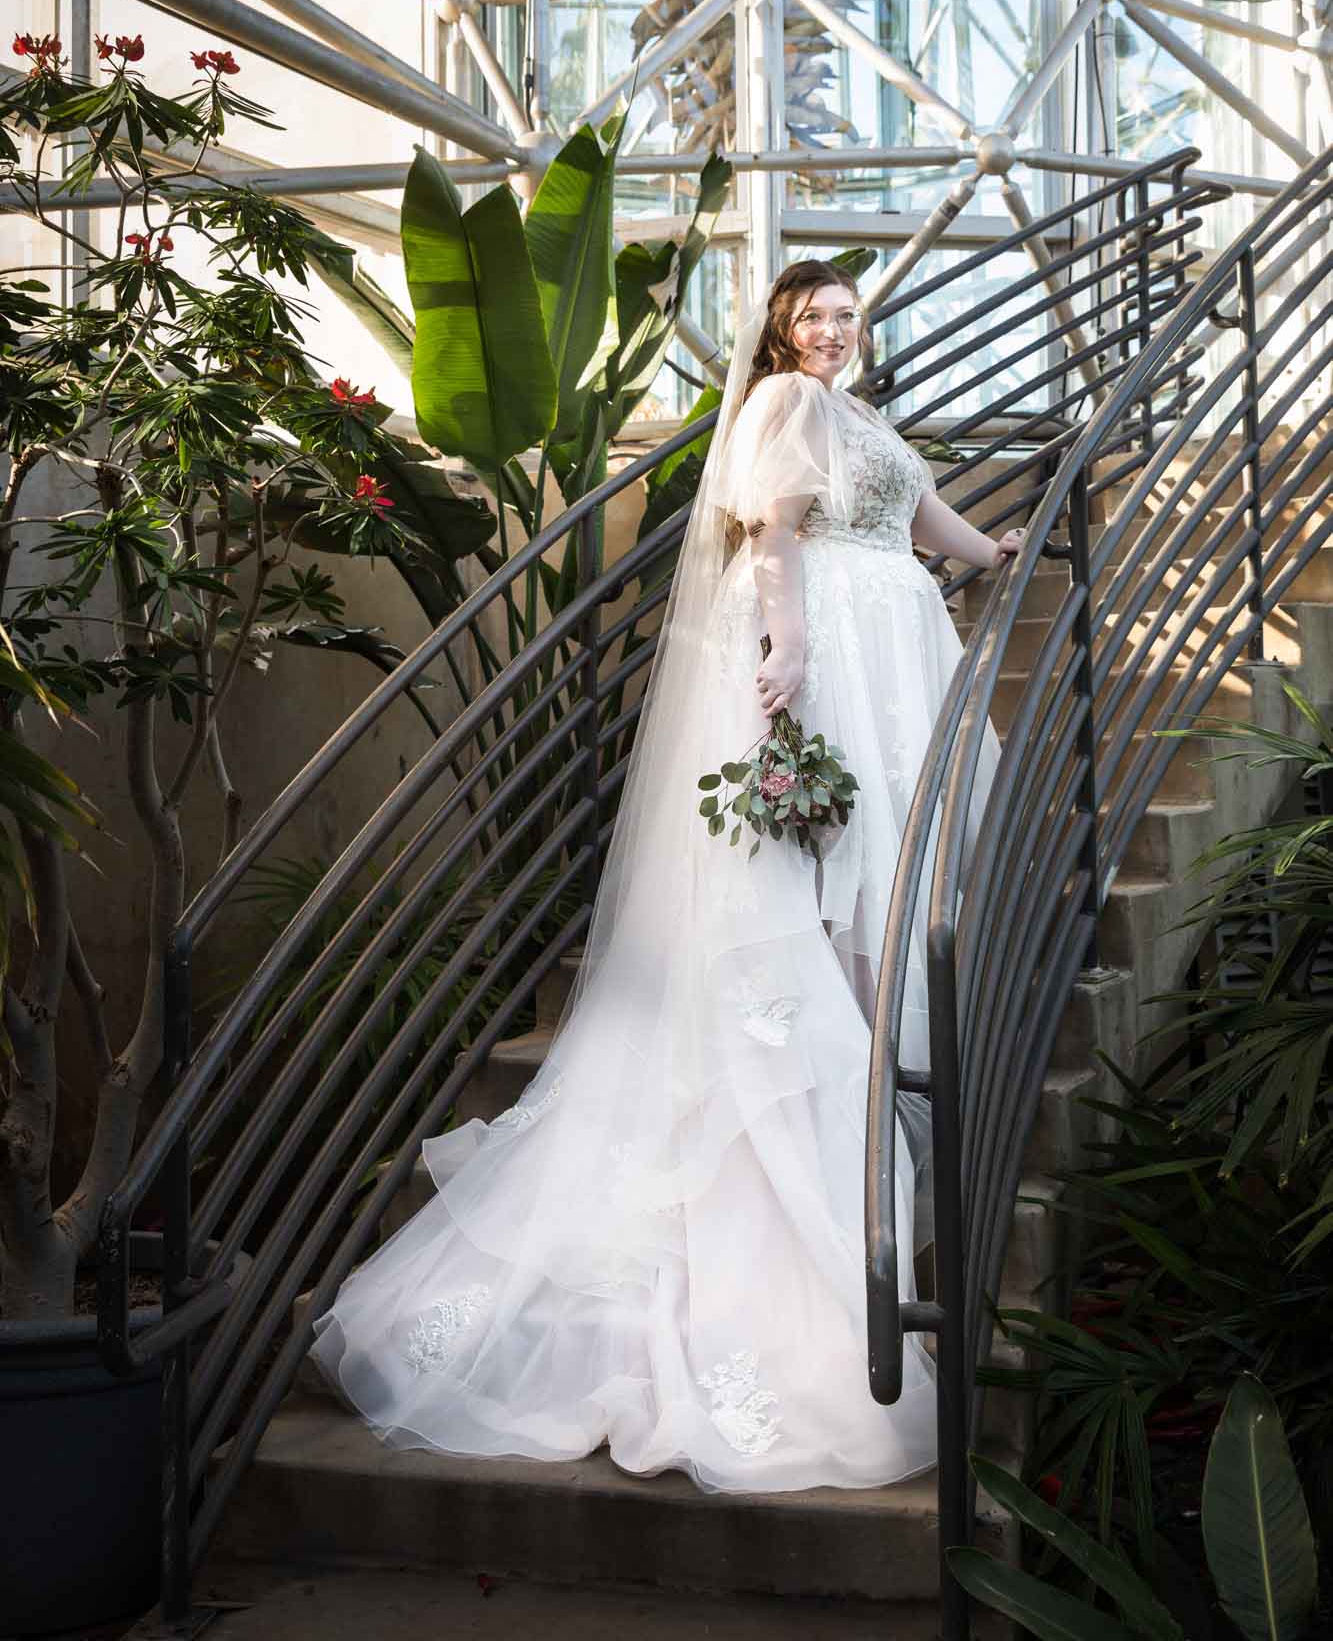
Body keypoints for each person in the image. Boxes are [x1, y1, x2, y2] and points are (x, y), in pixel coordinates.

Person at [309, 259, 1022, 1492]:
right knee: (834, 858)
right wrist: (787, 645)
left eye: (849, 314)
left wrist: (1003, 542)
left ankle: (876, 1064)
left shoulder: (863, 417)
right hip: (837, 648)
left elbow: (930, 528)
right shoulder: (784, 408)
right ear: (781, 328)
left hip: (898, 641)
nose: (835, 330)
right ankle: (849, 1088)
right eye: (815, 315)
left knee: (892, 855)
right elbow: (778, 533)